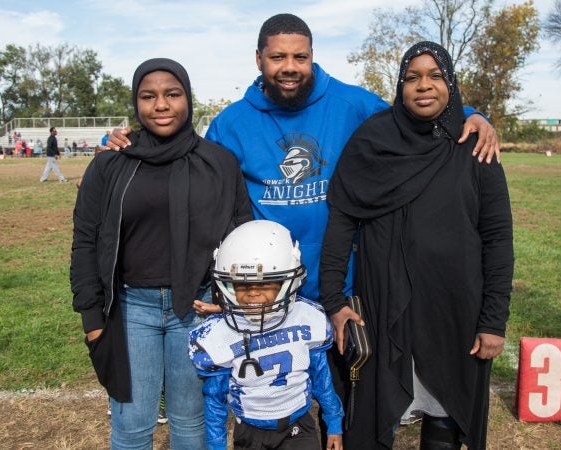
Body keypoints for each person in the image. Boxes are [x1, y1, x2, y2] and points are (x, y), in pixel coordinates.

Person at [105, 13, 499, 308]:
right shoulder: (232, 122)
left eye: (300, 56)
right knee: (273, 404)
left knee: (345, 397)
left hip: (345, 278)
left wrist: (472, 114)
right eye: (278, 57)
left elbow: (416, 114)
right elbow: (187, 164)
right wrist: (126, 142)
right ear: (259, 60)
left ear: (312, 57)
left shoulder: (353, 103)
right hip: (265, 281)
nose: (289, 67)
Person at [320, 41, 514, 449]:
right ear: (399, 85)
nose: (423, 86)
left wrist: (493, 321)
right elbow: (341, 221)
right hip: (382, 305)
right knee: (373, 418)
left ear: (451, 84)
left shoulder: (473, 146)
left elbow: (497, 238)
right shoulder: (372, 141)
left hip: (454, 307)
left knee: (446, 416)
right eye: (412, 77)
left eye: (435, 76)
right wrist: (334, 299)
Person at [71, 57, 253, 449]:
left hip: (198, 306)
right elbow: (85, 239)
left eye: (172, 94)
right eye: (148, 96)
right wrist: (92, 318)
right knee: (132, 427)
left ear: (188, 98)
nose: (161, 105)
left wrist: (231, 304)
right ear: (136, 103)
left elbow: (240, 236)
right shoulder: (110, 163)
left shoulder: (218, 163)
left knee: (192, 425)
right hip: (131, 309)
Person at [189, 220, 343, 450]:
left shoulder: (306, 317)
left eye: (266, 284)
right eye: (242, 286)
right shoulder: (218, 333)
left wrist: (334, 422)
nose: (253, 295)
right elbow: (215, 401)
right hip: (251, 432)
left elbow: (321, 378)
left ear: (287, 282)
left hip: (298, 427)